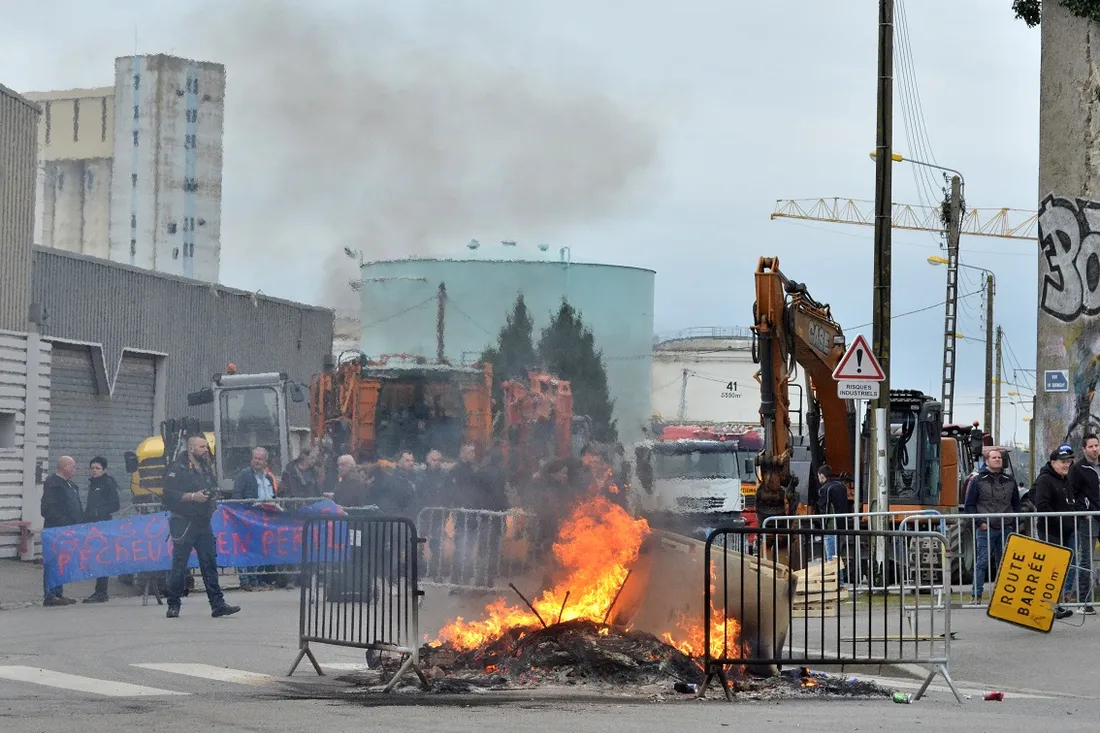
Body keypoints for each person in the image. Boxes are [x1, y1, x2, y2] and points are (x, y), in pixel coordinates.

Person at [163, 435, 241, 619]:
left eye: (206, 446)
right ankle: (173, 605)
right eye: (202, 447)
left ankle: (217, 604)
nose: (206, 450)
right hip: (183, 522)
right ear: (191, 449)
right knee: (179, 566)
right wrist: (192, 496)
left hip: (203, 522)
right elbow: (168, 495)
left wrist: (211, 497)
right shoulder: (178, 468)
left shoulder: (206, 467)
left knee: (209, 563)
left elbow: (212, 487)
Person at [963, 448, 1020, 603]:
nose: (997, 460)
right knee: (982, 562)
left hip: (1006, 527)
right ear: (986, 461)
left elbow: (1017, 504)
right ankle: (977, 594)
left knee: (1005, 563)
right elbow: (970, 505)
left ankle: (1003, 595)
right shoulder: (978, 481)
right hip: (985, 528)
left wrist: (1013, 524)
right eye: (994, 457)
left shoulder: (1010, 481)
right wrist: (979, 523)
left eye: (999, 457)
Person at [1033, 444, 1078, 620]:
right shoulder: (1045, 479)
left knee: (1060, 571)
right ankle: (1046, 606)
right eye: (1062, 462)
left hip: (1066, 531)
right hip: (1051, 531)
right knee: (1051, 571)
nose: (1066, 465)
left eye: (1068, 462)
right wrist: (1060, 520)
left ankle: (1055, 605)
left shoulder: (1064, 479)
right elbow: (1042, 505)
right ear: (1053, 462)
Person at [232, 447, 279, 591]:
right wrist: (250, 505)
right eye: (255, 458)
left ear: (266, 461)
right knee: (246, 549)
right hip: (248, 517)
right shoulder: (244, 475)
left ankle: (258, 579)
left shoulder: (269, 477)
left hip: (264, 518)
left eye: (260, 459)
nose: (257, 461)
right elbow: (237, 497)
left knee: (260, 549)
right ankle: (246, 581)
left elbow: (273, 496)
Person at [41, 456, 84, 607]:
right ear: (65, 467)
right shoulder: (53, 485)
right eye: (73, 467)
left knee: (62, 562)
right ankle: (50, 594)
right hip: (56, 531)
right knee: (53, 562)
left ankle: (58, 592)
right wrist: (65, 523)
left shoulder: (70, 484)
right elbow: (48, 509)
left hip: (69, 531)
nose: (75, 470)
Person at [1069, 433, 1100, 614]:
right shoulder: (1078, 468)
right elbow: (1072, 493)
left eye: (1097, 445)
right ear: (1084, 449)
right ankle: (1083, 602)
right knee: (1086, 560)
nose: (1095, 449)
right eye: (1091, 447)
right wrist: (1084, 512)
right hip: (1090, 519)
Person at [82, 456, 121, 603]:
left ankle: (101, 591)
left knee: (102, 557)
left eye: (97, 468)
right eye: (92, 468)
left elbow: (115, 505)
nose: (94, 471)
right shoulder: (93, 483)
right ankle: (100, 591)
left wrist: (99, 512)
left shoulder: (108, 483)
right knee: (96, 557)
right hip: (92, 525)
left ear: (104, 469)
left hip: (103, 525)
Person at [815, 465, 849, 583]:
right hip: (842, 525)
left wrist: (820, 525)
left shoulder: (824, 489)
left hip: (830, 527)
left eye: (818, 475)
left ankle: (836, 583)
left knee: (831, 558)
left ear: (822, 475)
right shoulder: (841, 487)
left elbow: (824, 509)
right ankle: (839, 581)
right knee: (838, 556)